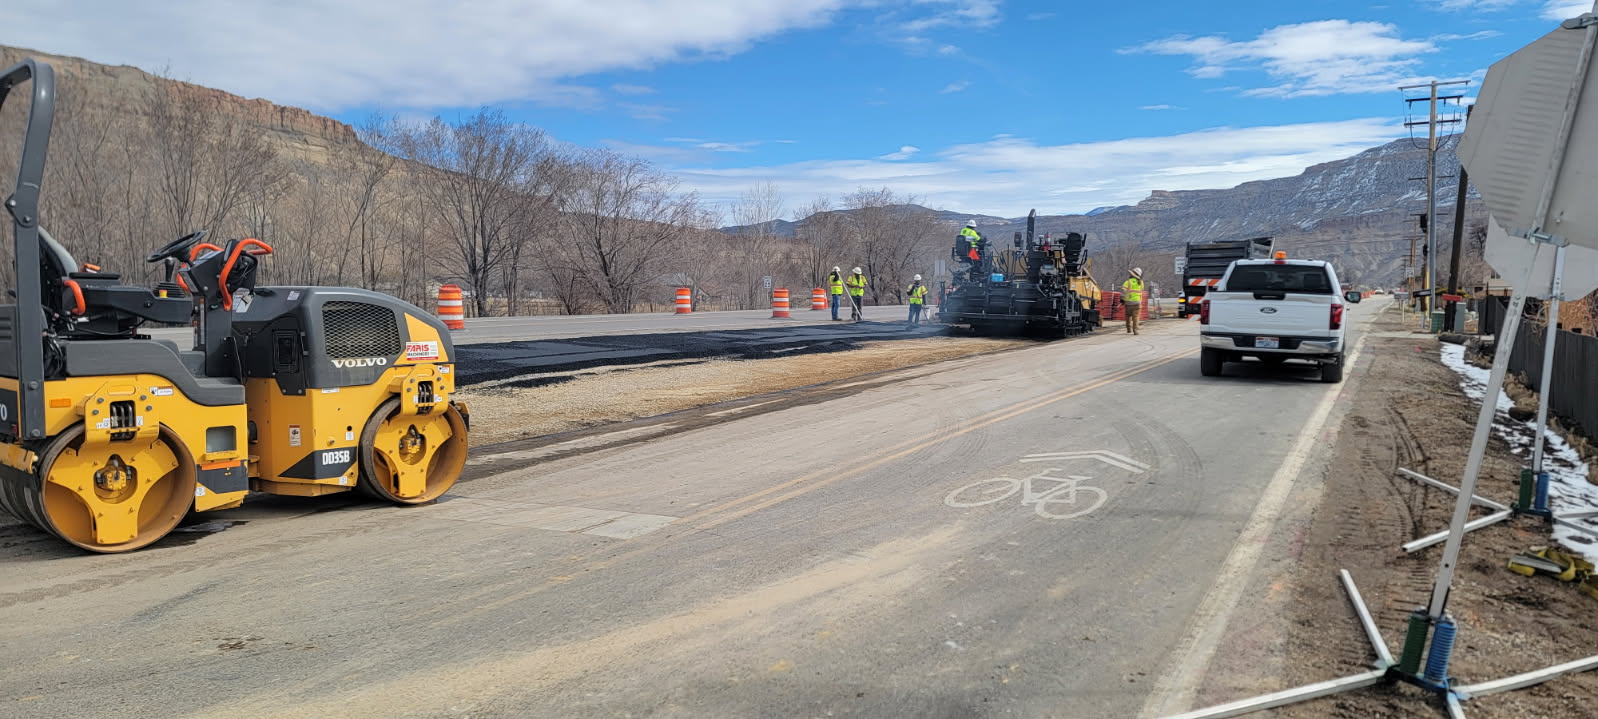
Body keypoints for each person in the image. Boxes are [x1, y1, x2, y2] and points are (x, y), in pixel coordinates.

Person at [1121, 267, 1145, 335]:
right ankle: (1135, 330)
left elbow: (1123, 291)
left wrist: (1122, 299)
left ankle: (1128, 329)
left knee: (1128, 316)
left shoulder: (1127, 282)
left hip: (1128, 303)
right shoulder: (1141, 282)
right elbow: (1141, 290)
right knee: (1136, 317)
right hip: (1137, 303)